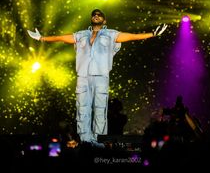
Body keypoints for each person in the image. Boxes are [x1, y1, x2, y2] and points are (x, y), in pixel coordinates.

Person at [27, 8, 167, 148]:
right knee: (82, 110)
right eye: (94, 14)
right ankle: (85, 142)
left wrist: (153, 34)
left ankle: (99, 143)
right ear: (91, 19)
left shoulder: (111, 34)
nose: (96, 15)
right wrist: (41, 38)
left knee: (100, 110)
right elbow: (61, 38)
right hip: (83, 76)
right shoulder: (81, 35)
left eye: (99, 15)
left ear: (104, 21)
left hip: (101, 76)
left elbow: (133, 36)